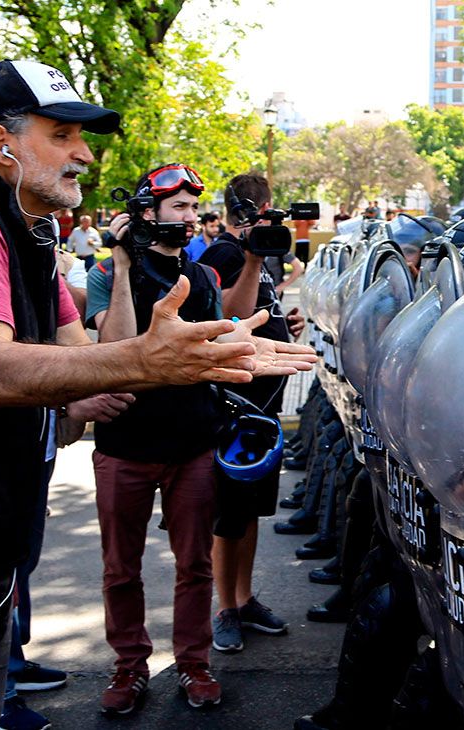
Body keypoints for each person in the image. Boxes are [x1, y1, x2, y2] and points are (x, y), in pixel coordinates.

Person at [0, 60, 313, 729]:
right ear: (0, 142)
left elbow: (78, 361)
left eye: (84, 136)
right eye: (63, 133)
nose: (85, 154)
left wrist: (197, 358)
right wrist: (150, 361)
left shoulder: (24, 227)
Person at [86, 163, 299, 715]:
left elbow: (224, 336)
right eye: (177, 208)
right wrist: (125, 260)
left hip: (192, 445)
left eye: (191, 208)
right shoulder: (108, 274)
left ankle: (193, 663)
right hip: (124, 446)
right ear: (145, 213)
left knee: (195, 566)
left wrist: (257, 341)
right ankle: (129, 668)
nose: (189, 218)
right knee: (120, 568)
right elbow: (115, 348)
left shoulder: (202, 276)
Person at [199, 173, 300, 655]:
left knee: (252, 511)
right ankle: (224, 609)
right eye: (266, 211)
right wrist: (253, 257)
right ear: (253, 209)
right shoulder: (225, 252)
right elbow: (226, 319)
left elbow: (261, 308)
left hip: (265, 407)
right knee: (227, 517)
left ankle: (244, 599)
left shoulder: (259, 254)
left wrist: (285, 318)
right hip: (235, 407)